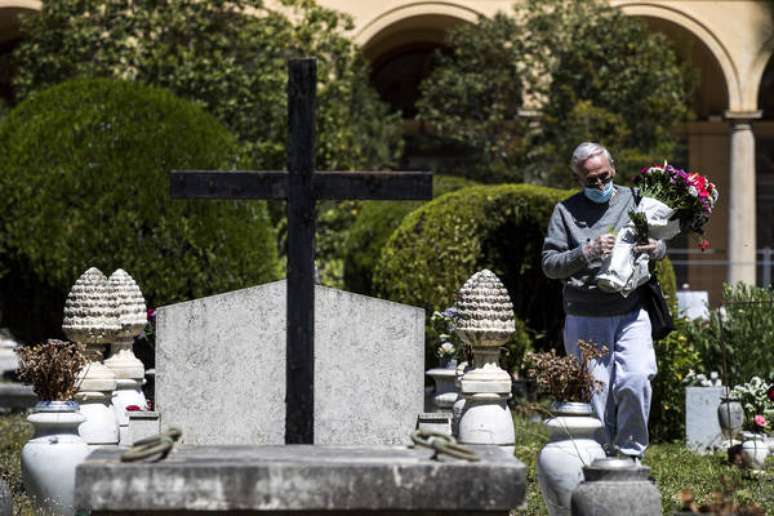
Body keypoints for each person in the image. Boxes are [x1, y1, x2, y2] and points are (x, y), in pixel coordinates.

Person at [541, 142, 666, 460]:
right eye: (590, 180)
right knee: (596, 392)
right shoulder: (565, 211)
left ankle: (630, 454)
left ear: (614, 169)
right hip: (585, 313)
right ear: (579, 180)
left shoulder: (635, 199)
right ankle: (600, 459)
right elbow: (550, 264)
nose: (599, 184)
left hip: (631, 309)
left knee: (636, 379)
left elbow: (660, 244)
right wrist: (587, 251)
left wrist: (656, 249)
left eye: (604, 176)